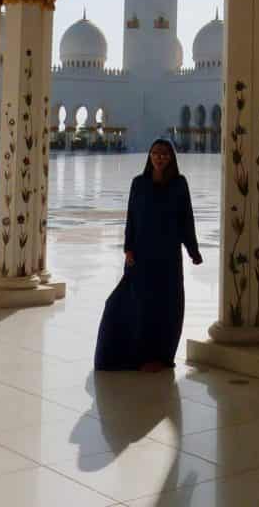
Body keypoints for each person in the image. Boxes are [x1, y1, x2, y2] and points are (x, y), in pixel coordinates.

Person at [95, 139, 203, 372]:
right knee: (134, 304)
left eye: (164, 154)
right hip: (141, 256)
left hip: (167, 258)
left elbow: (186, 219)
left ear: (171, 158)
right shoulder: (139, 183)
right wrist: (128, 248)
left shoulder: (179, 184)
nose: (159, 157)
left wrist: (193, 250)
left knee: (166, 307)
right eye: (155, 153)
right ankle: (136, 356)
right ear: (150, 156)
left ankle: (161, 357)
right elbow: (131, 218)